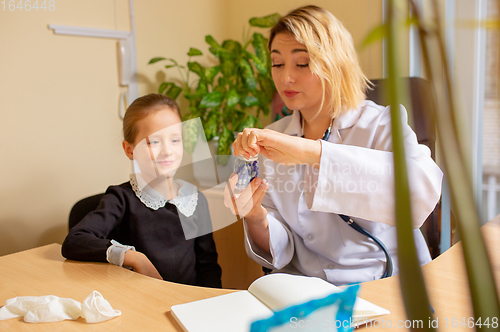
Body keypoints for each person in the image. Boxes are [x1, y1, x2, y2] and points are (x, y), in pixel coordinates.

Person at [224, 5, 443, 285]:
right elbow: (283, 244)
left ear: (334, 63)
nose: (285, 77)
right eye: (277, 63)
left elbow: (421, 192)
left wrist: (312, 153)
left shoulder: (380, 124)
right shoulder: (271, 138)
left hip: (383, 283)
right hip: (306, 289)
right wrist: (255, 216)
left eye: (301, 63)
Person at [62, 94, 222, 288]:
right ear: (130, 150)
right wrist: (134, 258)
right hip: (139, 304)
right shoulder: (121, 199)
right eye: (154, 142)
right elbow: (75, 241)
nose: (167, 151)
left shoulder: (196, 200)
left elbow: (208, 267)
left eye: (175, 140)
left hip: (185, 305)